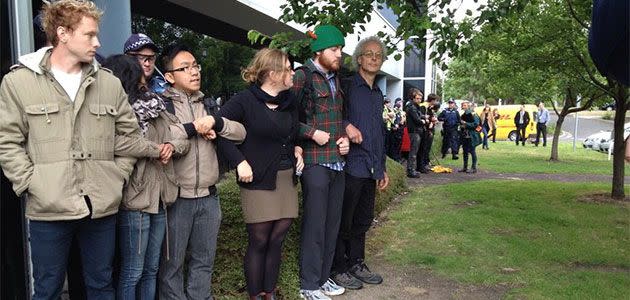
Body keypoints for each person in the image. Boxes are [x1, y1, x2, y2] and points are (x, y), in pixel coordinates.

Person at [0, 1, 166, 299]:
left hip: (100, 204)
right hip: (48, 207)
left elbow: (128, 137)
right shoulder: (19, 82)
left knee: (101, 285)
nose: (98, 42)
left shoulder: (109, 83)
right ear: (62, 33)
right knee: (48, 288)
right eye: (89, 35)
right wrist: (30, 183)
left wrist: (116, 177)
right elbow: (8, 141)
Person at [158, 44, 246, 300]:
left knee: (204, 261)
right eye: (185, 68)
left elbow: (240, 133)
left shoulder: (209, 103)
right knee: (171, 266)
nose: (194, 72)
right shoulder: (162, 106)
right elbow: (161, 137)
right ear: (170, 77)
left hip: (209, 197)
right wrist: (194, 127)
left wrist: (215, 122)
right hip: (177, 199)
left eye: (195, 65)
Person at [215, 48, 304, 300]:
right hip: (257, 180)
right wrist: (239, 161)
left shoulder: (290, 101)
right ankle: (255, 295)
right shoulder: (245, 101)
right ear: (272, 73)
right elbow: (218, 130)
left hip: (287, 178)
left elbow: (294, 132)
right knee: (260, 240)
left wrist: (298, 148)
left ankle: (270, 292)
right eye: (288, 69)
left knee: (277, 239)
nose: (292, 73)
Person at [103, 55, 188, 300]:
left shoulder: (156, 104)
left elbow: (181, 135)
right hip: (135, 198)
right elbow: (120, 143)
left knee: (151, 269)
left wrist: (171, 146)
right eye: (140, 72)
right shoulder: (116, 112)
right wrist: (156, 149)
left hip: (161, 195)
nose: (146, 75)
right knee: (133, 271)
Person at [291, 24, 350, 300]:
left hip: (338, 161)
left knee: (331, 224)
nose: (339, 54)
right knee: (315, 225)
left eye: (340, 49)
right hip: (314, 163)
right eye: (334, 50)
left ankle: (323, 278)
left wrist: (344, 139)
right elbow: (287, 118)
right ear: (319, 51)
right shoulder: (302, 76)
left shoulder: (336, 79)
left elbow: (337, 119)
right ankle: (309, 285)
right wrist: (311, 133)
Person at [331, 36, 389, 291]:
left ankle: (357, 263)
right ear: (359, 59)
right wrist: (346, 125)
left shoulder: (378, 94)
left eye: (378, 55)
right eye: (369, 54)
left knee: (363, 220)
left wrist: (383, 167)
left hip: (371, 166)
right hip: (351, 163)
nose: (374, 58)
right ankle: (338, 268)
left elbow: (378, 132)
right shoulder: (346, 86)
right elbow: (332, 116)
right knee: (345, 219)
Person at [404, 88, 426, 178]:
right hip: (414, 132)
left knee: (414, 152)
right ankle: (410, 171)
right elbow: (418, 120)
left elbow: (420, 115)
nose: (419, 100)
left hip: (416, 131)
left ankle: (412, 169)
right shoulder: (411, 107)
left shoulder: (415, 107)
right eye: (417, 98)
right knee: (413, 152)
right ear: (413, 98)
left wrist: (423, 117)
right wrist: (423, 121)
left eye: (420, 98)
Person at [459, 101, 482, 173]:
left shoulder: (473, 114)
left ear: (468, 106)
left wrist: (466, 123)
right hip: (465, 135)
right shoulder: (463, 115)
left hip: (472, 136)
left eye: (465, 105)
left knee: (472, 151)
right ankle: (465, 167)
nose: (463, 106)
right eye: (462, 105)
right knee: (465, 151)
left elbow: (476, 124)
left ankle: (473, 168)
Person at [418, 94, 439, 172]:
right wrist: (431, 120)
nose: (436, 102)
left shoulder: (430, 108)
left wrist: (433, 119)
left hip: (429, 130)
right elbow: (422, 117)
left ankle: (425, 163)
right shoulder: (424, 107)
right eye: (436, 100)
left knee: (427, 148)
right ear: (432, 100)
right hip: (425, 130)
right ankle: (421, 165)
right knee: (423, 148)